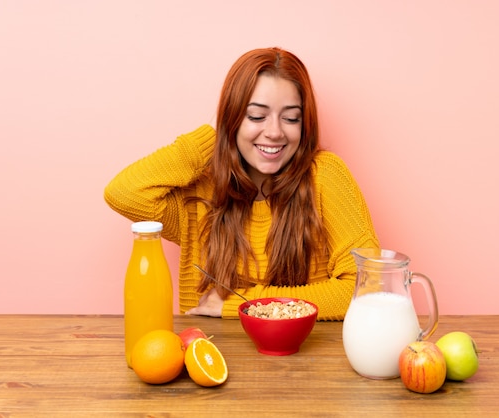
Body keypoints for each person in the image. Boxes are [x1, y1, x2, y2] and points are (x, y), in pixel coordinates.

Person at [104, 47, 379, 321]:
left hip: (306, 359)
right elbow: (123, 193)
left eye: (291, 118)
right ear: (233, 118)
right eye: (256, 116)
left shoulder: (325, 176)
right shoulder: (201, 194)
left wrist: (244, 304)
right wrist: (216, 140)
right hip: (215, 357)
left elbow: (368, 288)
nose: (274, 132)